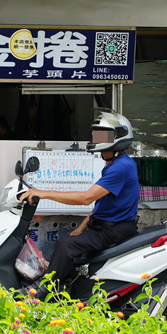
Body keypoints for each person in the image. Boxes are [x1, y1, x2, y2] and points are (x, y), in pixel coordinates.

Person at [19, 112, 139, 288]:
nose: (95, 138)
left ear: (117, 137)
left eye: (101, 134)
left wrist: (43, 193)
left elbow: (86, 198)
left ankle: (45, 292)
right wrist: (80, 229)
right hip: (104, 227)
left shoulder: (120, 167)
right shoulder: (117, 164)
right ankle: (68, 287)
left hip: (112, 230)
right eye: (96, 134)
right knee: (69, 241)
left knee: (65, 246)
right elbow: (101, 205)